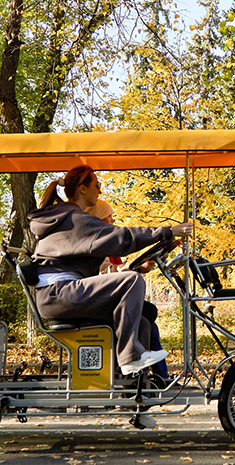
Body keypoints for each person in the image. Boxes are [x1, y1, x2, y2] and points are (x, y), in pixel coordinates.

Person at [29, 164, 192, 378]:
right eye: (98, 185)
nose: (101, 191)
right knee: (132, 281)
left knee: (143, 321)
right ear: (83, 188)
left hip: (60, 295)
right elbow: (122, 238)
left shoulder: (66, 218)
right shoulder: (75, 220)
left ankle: (132, 393)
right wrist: (167, 231)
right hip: (59, 294)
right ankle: (129, 358)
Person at [88, 199, 170, 384]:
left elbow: (115, 270)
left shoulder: (106, 244)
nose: (112, 220)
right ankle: (132, 378)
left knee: (149, 317)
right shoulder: (95, 244)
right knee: (145, 319)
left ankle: (160, 376)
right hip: (101, 300)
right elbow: (104, 274)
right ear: (99, 218)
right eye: (109, 216)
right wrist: (135, 269)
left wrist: (137, 268)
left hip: (110, 298)